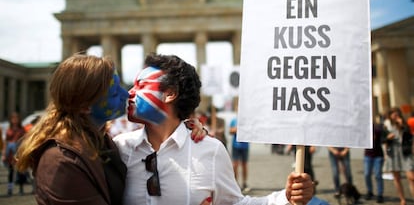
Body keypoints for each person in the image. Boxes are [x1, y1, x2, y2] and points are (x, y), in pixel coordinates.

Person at [114, 53, 314, 205]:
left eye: (141, 86)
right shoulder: (119, 148)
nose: (129, 93)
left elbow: (236, 203)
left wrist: (286, 197)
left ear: (170, 94)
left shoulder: (210, 151)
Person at [14, 53, 207, 205]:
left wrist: (182, 126)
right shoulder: (61, 161)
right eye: (115, 92)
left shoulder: (103, 143)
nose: (128, 93)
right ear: (85, 106)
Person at [384, 107, 414, 205]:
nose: (395, 116)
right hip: (393, 152)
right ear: (390, 115)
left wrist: (402, 125)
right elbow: (383, 139)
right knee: (397, 178)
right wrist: (387, 138)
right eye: (393, 114)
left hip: (405, 151)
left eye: (397, 114)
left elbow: (409, 136)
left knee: (411, 177)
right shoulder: (386, 124)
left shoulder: (404, 123)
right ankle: (402, 199)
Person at [1, 112, 27, 196]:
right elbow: (5, 142)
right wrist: (4, 154)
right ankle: (10, 189)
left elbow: (25, 140)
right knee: (11, 171)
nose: (15, 120)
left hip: (19, 152)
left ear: (19, 120)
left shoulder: (22, 129)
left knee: (20, 171)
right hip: (10, 153)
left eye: (16, 118)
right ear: (11, 120)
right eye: (13, 118)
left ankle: (21, 189)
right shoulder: (8, 129)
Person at [364, 116, 387, 203]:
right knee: (367, 174)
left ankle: (380, 194)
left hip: (378, 155)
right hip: (368, 154)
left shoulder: (378, 129)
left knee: (377, 175)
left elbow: (384, 138)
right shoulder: (365, 129)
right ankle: (369, 191)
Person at [230, 115, 250, 192]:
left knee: (244, 165)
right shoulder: (234, 120)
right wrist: (238, 129)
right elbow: (230, 131)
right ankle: (235, 183)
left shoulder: (247, 121)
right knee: (235, 165)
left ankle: (244, 183)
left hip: (245, 145)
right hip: (235, 145)